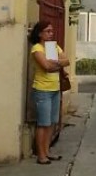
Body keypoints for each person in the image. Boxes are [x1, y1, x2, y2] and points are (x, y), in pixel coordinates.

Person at [29, 21, 70, 165]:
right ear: (40, 33)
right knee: (43, 123)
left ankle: (47, 151)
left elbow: (66, 61)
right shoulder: (37, 48)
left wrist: (55, 63)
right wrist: (56, 63)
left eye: (51, 31)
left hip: (55, 89)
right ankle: (41, 155)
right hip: (43, 90)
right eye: (47, 31)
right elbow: (46, 66)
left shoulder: (52, 47)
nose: (51, 33)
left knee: (52, 122)